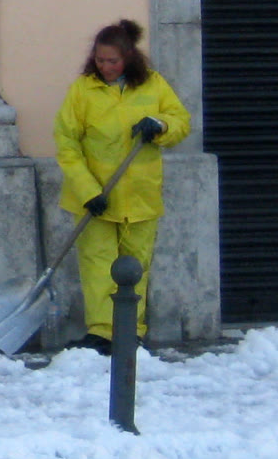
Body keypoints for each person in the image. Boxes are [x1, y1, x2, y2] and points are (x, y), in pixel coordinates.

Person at [53, 19, 191, 355]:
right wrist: (88, 191)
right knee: (98, 265)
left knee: (135, 266)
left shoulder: (153, 85)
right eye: (100, 60)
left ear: (128, 57)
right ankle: (102, 333)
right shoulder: (83, 91)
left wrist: (159, 125)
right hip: (96, 198)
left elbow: (181, 121)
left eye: (112, 61)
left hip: (140, 196)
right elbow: (67, 145)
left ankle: (130, 332)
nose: (106, 67)